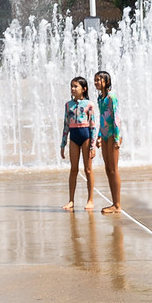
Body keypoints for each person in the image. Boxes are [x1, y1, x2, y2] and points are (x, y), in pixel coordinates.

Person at [60, 75, 97, 210]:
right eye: (72, 86)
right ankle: (71, 200)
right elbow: (66, 125)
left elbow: (93, 126)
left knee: (88, 169)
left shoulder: (89, 104)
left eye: (76, 86)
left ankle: (90, 199)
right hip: (74, 138)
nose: (73, 89)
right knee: (73, 169)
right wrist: (63, 144)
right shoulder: (68, 105)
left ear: (84, 89)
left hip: (86, 137)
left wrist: (93, 146)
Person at [93, 70, 123, 215]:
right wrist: (99, 136)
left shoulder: (111, 97)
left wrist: (117, 138)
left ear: (107, 82)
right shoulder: (100, 98)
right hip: (104, 135)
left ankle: (117, 205)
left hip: (112, 135)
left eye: (99, 80)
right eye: (95, 80)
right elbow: (102, 118)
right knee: (107, 169)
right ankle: (114, 203)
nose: (96, 82)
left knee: (113, 169)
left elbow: (116, 117)